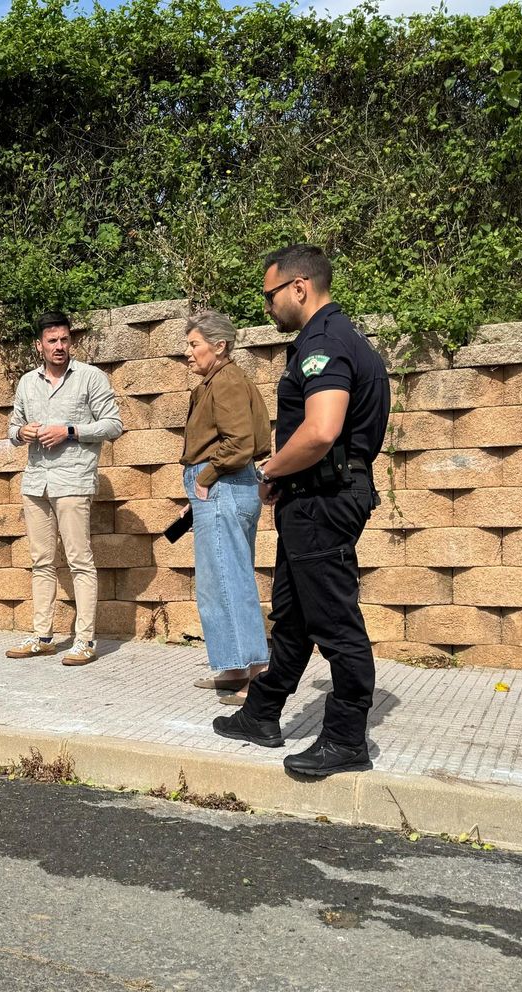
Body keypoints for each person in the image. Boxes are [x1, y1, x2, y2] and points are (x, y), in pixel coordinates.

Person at [213, 244, 389, 776]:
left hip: (323, 500)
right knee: (293, 614)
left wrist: (270, 471)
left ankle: (346, 738)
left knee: (335, 621)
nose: (267, 307)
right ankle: (262, 712)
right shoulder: (341, 339)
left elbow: (321, 430)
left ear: (298, 287)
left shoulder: (324, 343)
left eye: (270, 295)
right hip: (313, 495)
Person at [3, 312, 124, 666]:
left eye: (64, 340)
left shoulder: (90, 377)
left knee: (79, 560)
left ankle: (85, 640)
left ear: (71, 341)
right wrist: (22, 433)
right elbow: (13, 428)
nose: (59, 346)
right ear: (39, 345)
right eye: (52, 341)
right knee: (41, 561)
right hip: (35, 481)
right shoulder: (27, 382)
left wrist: (68, 430)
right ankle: (43, 636)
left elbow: (114, 425)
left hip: (73, 480)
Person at [178, 310, 271, 706]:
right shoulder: (220, 380)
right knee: (218, 582)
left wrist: (204, 477)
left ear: (219, 346)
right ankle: (234, 668)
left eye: (194, 344)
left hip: (223, 487)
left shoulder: (227, 381)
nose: (188, 353)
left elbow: (240, 442)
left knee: (229, 581)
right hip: (226, 487)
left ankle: (258, 676)